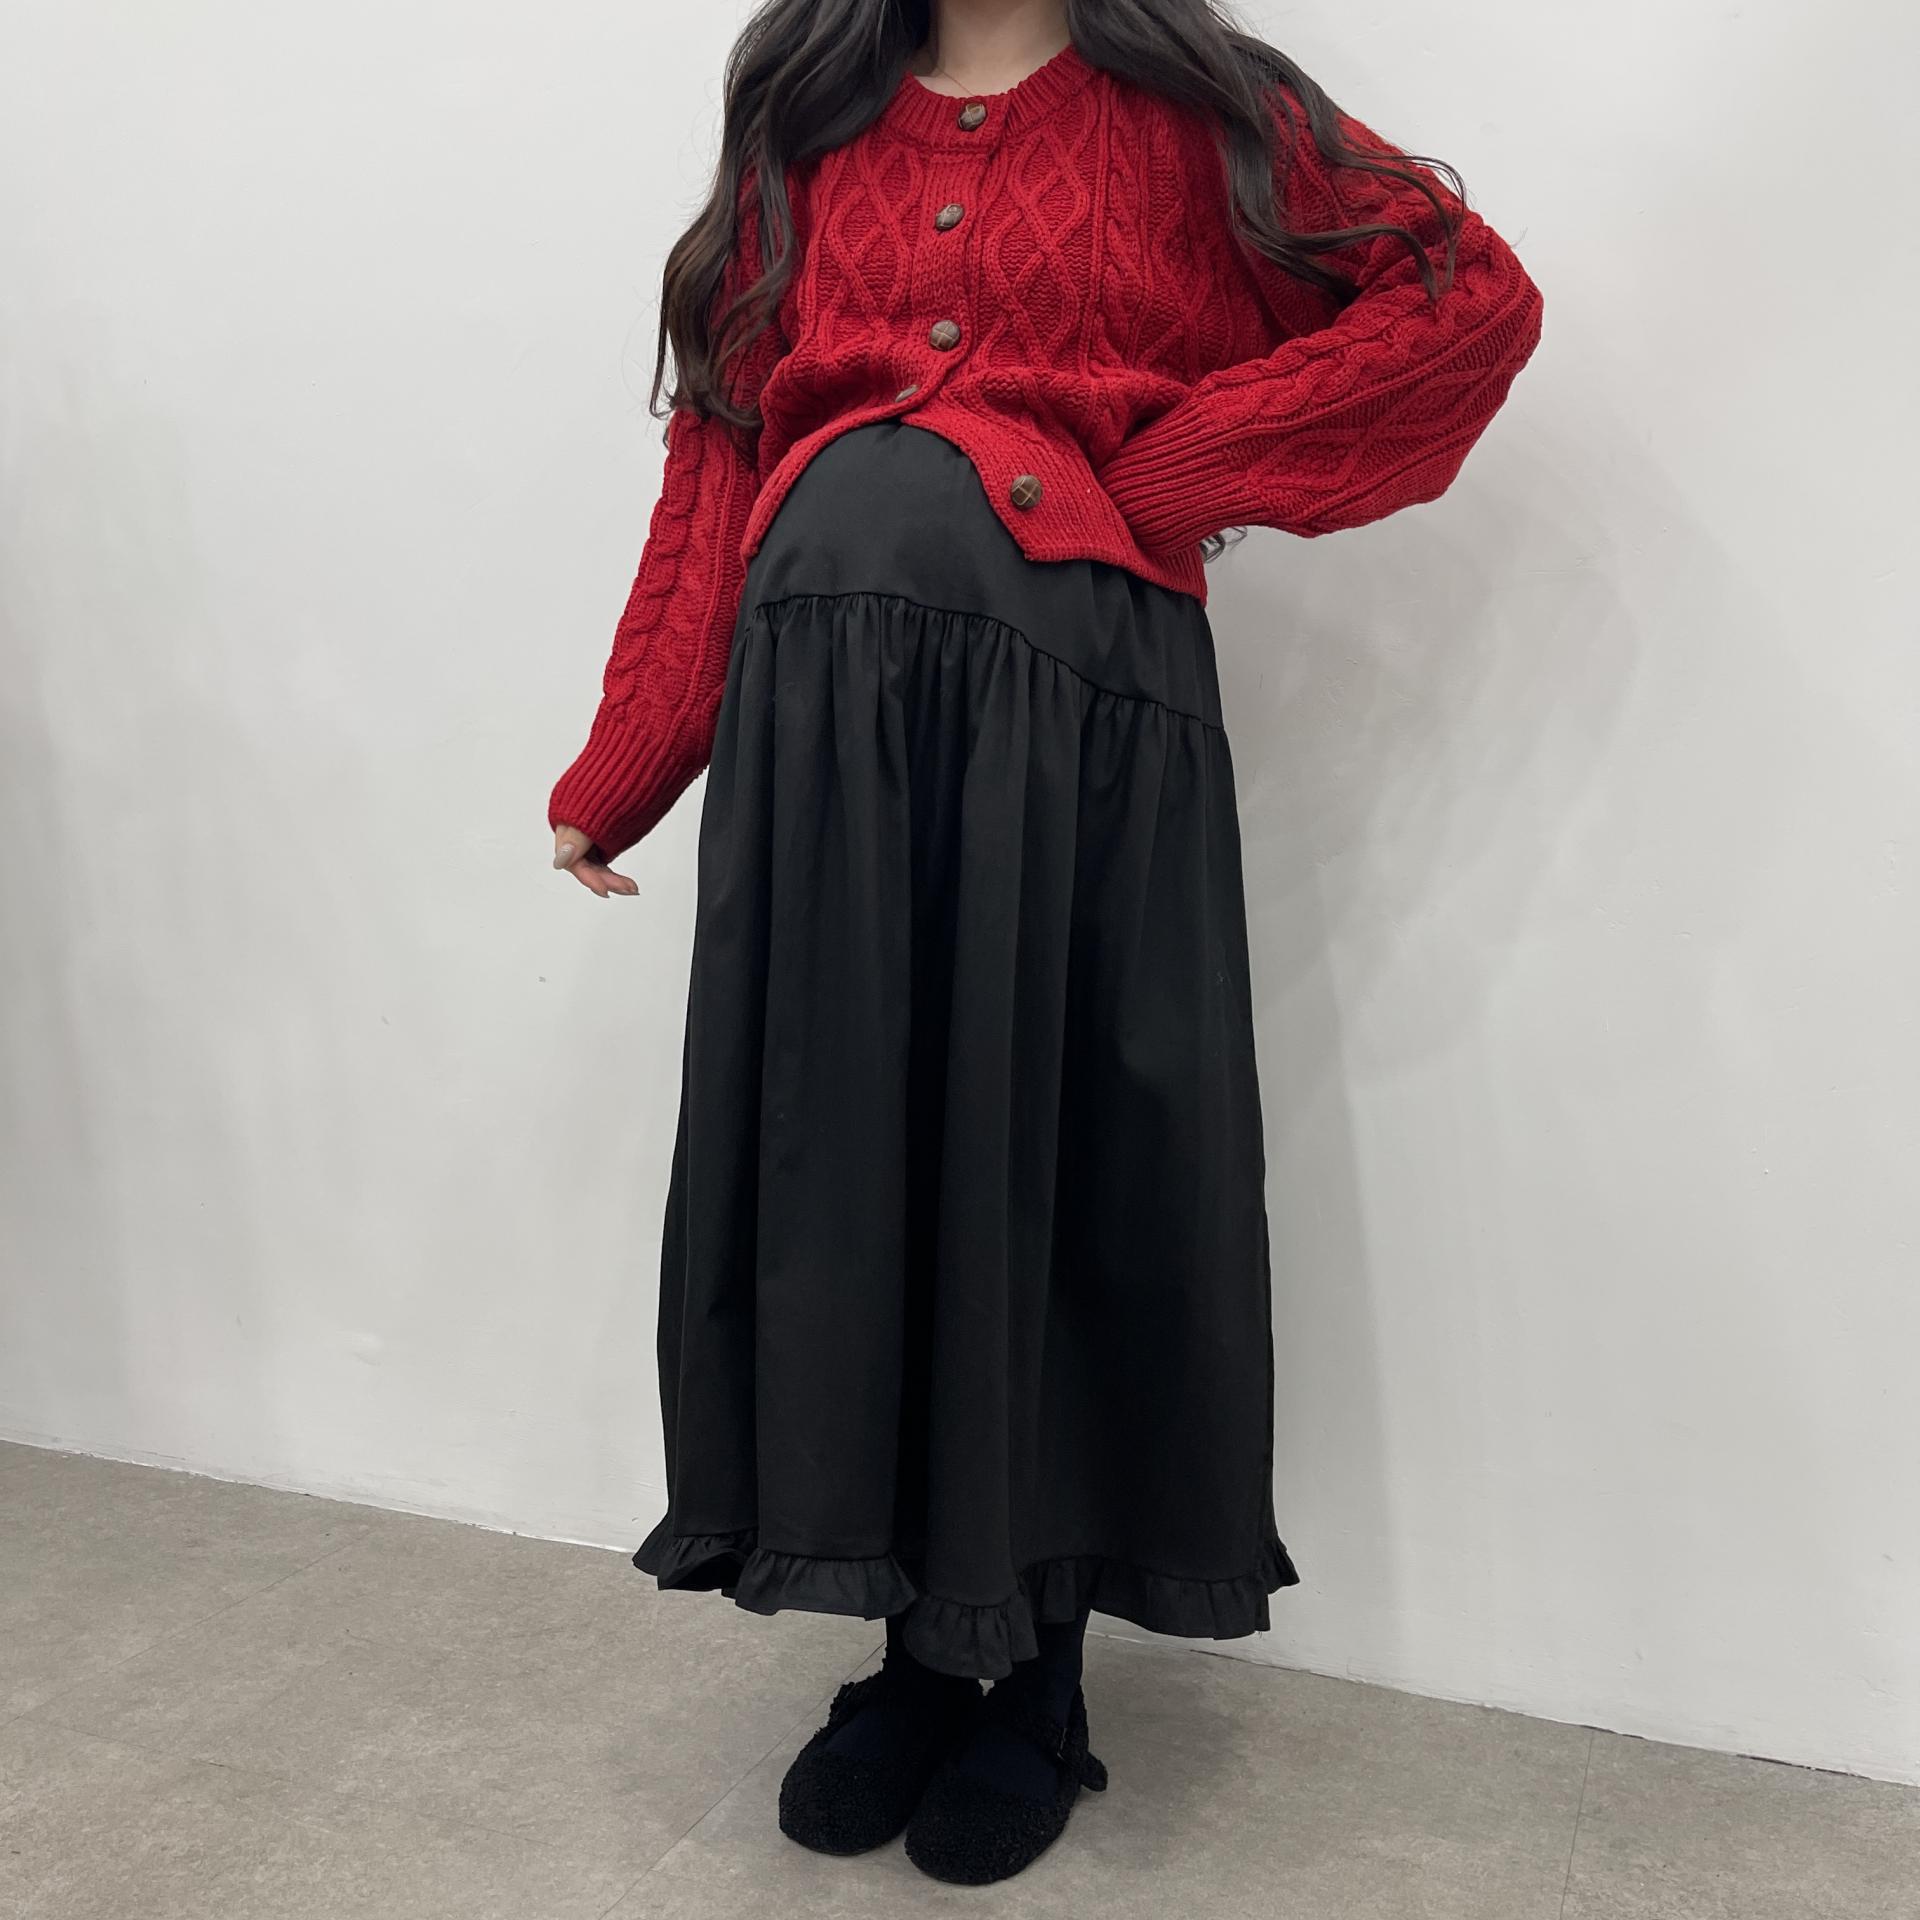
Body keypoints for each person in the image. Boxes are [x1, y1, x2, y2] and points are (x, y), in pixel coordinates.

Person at [547, 0, 1543, 1886]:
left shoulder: (1202, 108)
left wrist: (1168, 475)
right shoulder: (806, 117)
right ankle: (912, 1659)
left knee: (1047, 1161)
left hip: (1075, 716)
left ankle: (1033, 1681)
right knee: (852, 1176)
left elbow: (1464, 299)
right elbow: (720, 455)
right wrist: (633, 757)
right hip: (820, 730)